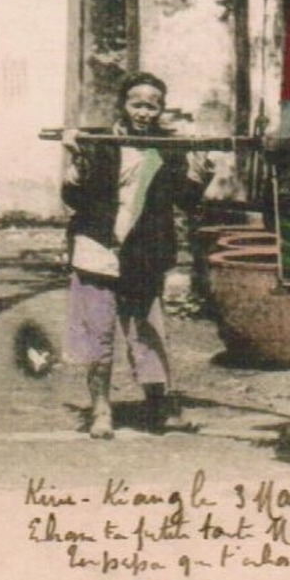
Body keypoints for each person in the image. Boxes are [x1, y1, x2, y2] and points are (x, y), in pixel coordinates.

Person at [62, 72, 206, 439]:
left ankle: (159, 407)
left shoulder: (167, 148)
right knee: (99, 332)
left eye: (152, 105)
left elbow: (185, 201)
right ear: (123, 105)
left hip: (144, 253)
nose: (144, 111)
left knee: (148, 331)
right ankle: (101, 410)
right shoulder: (99, 143)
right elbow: (75, 199)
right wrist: (77, 163)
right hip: (98, 248)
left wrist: (200, 168)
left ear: (160, 110)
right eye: (137, 103)